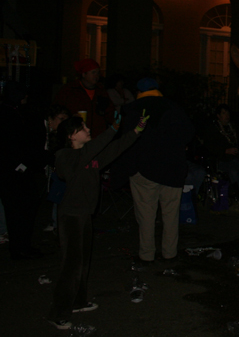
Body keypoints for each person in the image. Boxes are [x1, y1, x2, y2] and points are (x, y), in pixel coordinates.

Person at [46, 113, 147, 330]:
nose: (88, 129)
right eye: (82, 127)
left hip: (84, 216)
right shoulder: (64, 156)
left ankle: (78, 301)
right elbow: (88, 152)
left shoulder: (90, 157)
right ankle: (58, 313)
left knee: (82, 262)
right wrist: (113, 127)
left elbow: (115, 148)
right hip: (71, 217)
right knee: (70, 266)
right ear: (72, 135)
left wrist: (136, 131)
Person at [118, 77, 194, 263]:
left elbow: (124, 141)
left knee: (146, 215)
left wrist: (130, 169)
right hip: (172, 169)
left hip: (144, 170)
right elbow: (189, 134)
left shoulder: (133, 110)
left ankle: (146, 254)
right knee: (170, 214)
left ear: (138, 92)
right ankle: (170, 253)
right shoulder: (174, 108)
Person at [0, 80, 45, 259]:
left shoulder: (13, 112)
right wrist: (21, 166)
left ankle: (20, 246)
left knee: (20, 210)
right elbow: (12, 145)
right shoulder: (8, 114)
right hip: (14, 173)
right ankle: (20, 247)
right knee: (20, 210)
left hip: (14, 171)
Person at [202, 104, 239, 204]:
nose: (227, 116)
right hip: (222, 160)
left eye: (228, 113)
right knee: (234, 173)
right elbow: (210, 147)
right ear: (218, 116)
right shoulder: (213, 129)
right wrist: (225, 150)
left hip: (236, 158)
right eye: (224, 113)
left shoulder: (234, 128)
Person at [54, 58, 113, 137]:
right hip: (76, 136)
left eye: (98, 73)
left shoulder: (101, 91)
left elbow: (110, 113)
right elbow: (57, 110)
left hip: (97, 136)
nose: (96, 76)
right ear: (84, 74)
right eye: (93, 73)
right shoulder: (70, 90)